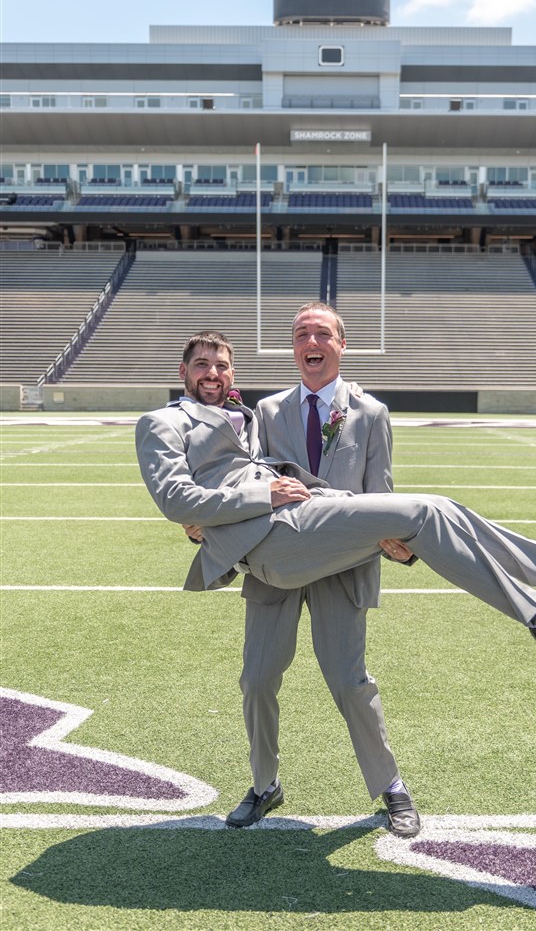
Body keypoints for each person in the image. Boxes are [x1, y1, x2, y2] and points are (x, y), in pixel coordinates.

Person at [135, 330, 536, 792]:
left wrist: (350, 507)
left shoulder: (249, 417)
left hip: (311, 516)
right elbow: (178, 499)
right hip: (272, 539)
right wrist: (253, 502)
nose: (212, 373)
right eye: (202, 364)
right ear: (183, 372)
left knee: (436, 511)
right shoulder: (162, 421)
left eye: (221, 365)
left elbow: (290, 465)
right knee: (259, 679)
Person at [201, 302, 418, 835]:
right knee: (256, 679)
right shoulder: (268, 412)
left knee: (349, 682)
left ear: (341, 346)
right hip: (277, 560)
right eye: (301, 334)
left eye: (321, 333)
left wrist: (396, 542)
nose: (310, 341)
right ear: (294, 348)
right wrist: (206, 516)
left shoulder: (371, 413)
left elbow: (381, 497)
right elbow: (243, 482)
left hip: (342, 563)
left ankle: (390, 786)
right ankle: (264, 784)